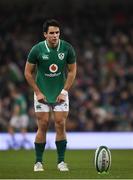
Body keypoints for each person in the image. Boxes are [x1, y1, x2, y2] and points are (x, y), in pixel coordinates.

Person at [24, 19, 77, 172]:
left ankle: (61, 162)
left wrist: (64, 91)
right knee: (43, 125)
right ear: (45, 34)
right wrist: (37, 92)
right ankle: (38, 162)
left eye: (57, 33)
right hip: (42, 93)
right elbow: (28, 72)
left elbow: (72, 71)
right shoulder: (37, 49)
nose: (55, 36)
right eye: (52, 33)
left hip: (60, 93)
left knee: (60, 123)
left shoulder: (67, 48)